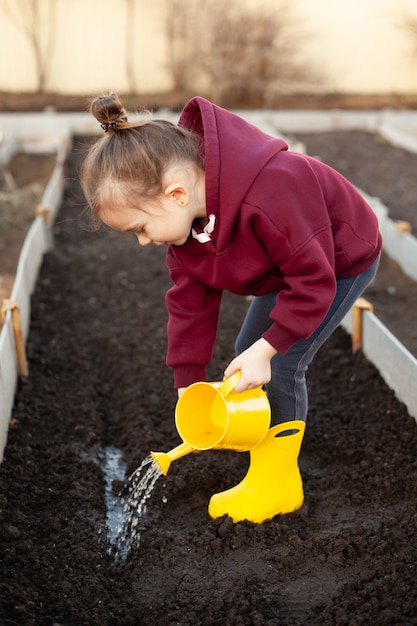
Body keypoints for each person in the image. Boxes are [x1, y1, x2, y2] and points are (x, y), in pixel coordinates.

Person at [80, 93, 382, 523]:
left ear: (177, 194)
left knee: (278, 362)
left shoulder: (275, 189)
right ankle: (265, 457)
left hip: (337, 259)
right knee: (250, 351)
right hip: (286, 262)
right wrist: (188, 381)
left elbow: (313, 281)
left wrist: (268, 349)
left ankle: (278, 484)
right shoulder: (186, 231)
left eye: (141, 228)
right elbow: (189, 303)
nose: (143, 241)